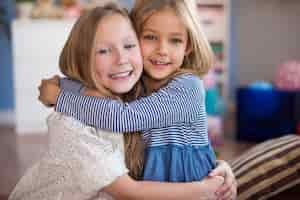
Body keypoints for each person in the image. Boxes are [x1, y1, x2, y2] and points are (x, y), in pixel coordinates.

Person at [9, 3, 230, 200]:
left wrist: (59, 97)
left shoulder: (187, 87)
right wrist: (63, 85)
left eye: (175, 40)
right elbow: (94, 87)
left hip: (192, 188)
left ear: (188, 46)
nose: (162, 50)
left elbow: (122, 117)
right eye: (150, 37)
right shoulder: (138, 84)